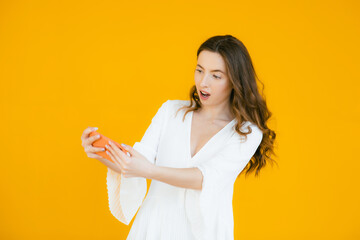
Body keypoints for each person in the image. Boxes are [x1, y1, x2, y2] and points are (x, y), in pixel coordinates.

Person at [81, 34, 277, 240]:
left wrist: (149, 170)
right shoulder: (170, 111)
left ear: (235, 81)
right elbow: (136, 164)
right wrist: (100, 151)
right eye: (199, 70)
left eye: (216, 76)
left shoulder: (246, 132)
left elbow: (205, 178)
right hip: (154, 226)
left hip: (205, 233)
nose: (203, 82)